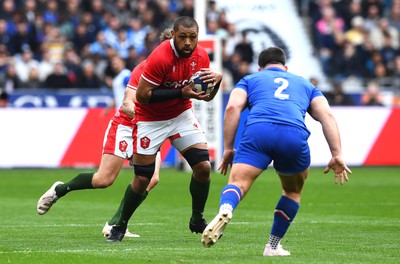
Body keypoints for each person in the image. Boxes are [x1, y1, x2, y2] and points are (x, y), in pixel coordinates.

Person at [201, 47, 351, 256]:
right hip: (293, 135)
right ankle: (272, 246)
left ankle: (227, 207)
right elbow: (327, 115)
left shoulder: (250, 80)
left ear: (261, 68)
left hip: (258, 132)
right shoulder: (307, 85)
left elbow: (232, 108)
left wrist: (228, 148)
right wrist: (337, 154)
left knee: (237, 183)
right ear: (285, 67)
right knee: (292, 191)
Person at [36, 29, 174, 238]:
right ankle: (60, 189)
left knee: (151, 179)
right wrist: (142, 114)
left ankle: (115, 224)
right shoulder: (145, 69)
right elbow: (127, 103)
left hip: (149, 130)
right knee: (103, 179)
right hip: (127, 126)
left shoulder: (178, 73)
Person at [105, 16, 223, 242]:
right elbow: (142, 96)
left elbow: (206, 98)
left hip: (181, 115)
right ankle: (120, 225)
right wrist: (181, 92)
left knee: (204, 167)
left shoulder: (201, 56)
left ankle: (197, 219)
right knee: (142, 179)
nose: (188, 42)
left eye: (193, 37)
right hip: (150, 119)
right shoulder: (160, 56)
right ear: (174, 36)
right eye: (183, 37)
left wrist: (216, 83)